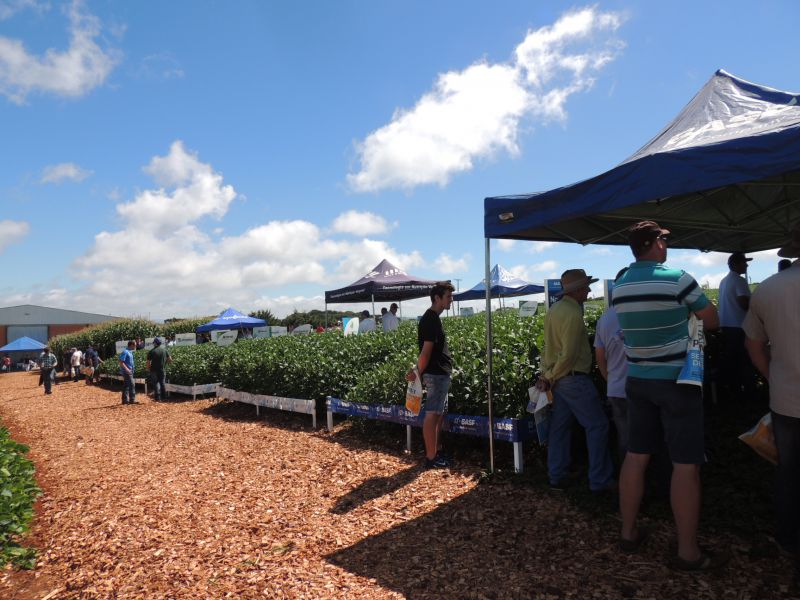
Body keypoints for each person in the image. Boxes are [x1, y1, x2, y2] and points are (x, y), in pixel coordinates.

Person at [613, 221, 723, 570]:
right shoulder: (678, 278)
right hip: (677, 381)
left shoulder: (621, 284)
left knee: (636, 456)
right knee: (685, 464)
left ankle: (628, 533)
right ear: (654, 243)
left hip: (637, 380)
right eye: (664, 238)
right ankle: (688, 551)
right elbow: (712, 319)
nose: (667, 244)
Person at [743, 223, 800, 565]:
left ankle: (789, 537)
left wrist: (771, 376)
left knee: (789, 471)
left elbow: (753, 343)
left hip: (787, 399)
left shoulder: (769, 288)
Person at [537, 269, 614, 493]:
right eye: (586, 287)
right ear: (577, 289)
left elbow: (550, 348)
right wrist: (552, 377)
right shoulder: (572, 313)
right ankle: (600, 481)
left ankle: (557, 475)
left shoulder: (554, 310)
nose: (589, 290)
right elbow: (569, 355)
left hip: (558, 380)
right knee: (598, 426)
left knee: (560, 428)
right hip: (572, 378)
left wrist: (548, 376)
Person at [406, 281, 455, 469]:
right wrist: (417, 371)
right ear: (437, 298)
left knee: (438, 415)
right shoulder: (430, 319)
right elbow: (425, 352)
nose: (451, 300)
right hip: (435, 375)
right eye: (448, 296)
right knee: (432, 415)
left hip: (439, 374)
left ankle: (436, 452)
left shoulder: (433, 318)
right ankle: (431, 458)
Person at [594, 268, 629, 461]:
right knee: (650, 436)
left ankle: (626, 478)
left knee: (625, 438)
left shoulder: (605, 318)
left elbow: (600, 358)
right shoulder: (640, 312)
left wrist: (611, 379)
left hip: (616, 388)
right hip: (643, 387)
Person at [718, 252, 754, 402]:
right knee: (745, 361)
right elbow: (743, 303)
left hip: (726, 325)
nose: (746, 265)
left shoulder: (723, 281)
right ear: (736, 264)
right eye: (744, 263)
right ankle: (750, 394)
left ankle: (734, 392)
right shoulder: (739, 281)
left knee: (732, 361)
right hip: (739, 327)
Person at [146, 337, 172, 401]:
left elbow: (148, 362)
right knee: (162, 383)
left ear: (155, 343)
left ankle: (157, 398)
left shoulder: (152, 351)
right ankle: (164, 397)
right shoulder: (164, 350)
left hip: (153, 370)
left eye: (153, 343)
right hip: (162, 370)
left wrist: (148, 369)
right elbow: (170, 360)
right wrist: (165, 363)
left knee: (155, 383)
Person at [119, 340, 137, 405]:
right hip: (127, 372)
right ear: (131, 345)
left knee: (126, 386)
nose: (135, 346)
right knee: (132, 384)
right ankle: (132, 400)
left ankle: (124, 400)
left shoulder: (130, 352)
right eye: (135, 345)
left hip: (129, 371)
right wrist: (127, 369)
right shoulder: (125, 352)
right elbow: (121, 362)